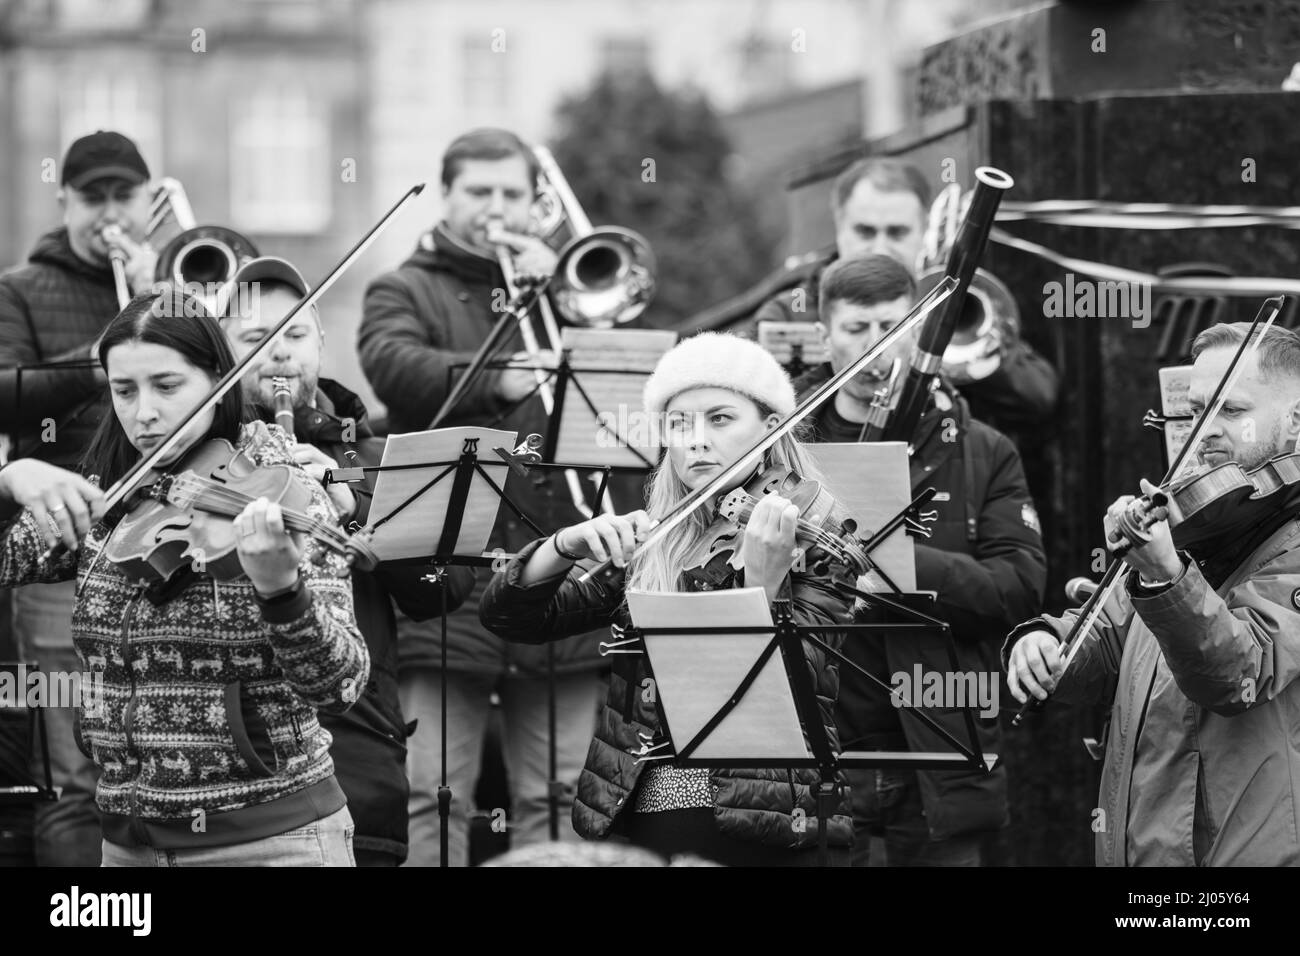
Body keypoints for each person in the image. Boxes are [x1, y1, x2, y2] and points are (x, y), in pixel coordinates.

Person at [0, 289, 369, 866]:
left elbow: (339, 686)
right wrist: (10, 477)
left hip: (270, 842)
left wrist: (282, 592)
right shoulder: (109, 497)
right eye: (124, 390)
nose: (143, 412)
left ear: (219, 379)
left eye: (167, 386)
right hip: (126, 845)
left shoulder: (283, 488)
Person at [479, 332, 855, 866]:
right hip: (644, 808)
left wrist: (762, 588)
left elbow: (800, 685)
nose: (696, 440)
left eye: (720, 419)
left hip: (767, 818)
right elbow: (512, 618)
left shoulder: (816, 530)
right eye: (679, 424)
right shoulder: (659, 539)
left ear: (771, 428)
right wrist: (563, 545)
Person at [357, 127, 603, 866]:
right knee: (434, 794)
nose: (496, 209)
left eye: (511, 194)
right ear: (448, 196)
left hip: (557, 572)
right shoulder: (404, 286)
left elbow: (625, 392)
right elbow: (392, 366)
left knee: (559, 795)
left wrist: (564, 293)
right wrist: (494, 375)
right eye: (479, 192)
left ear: (536, 203)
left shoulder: (570, 295)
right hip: (450, 576)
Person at [1005, 322, 1300, 866]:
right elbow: (1109, 634)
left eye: (1230, 411)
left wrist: (1168, 576)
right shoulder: (1196, 519)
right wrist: (1050, 642)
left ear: (1295, 423)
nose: (1205, 430)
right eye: (1194, 413)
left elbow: (1238, 676)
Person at [218, 256, 474, 865]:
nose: (280, 354)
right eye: (256, 340)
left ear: (321, 343)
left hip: (358, 740)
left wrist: (349, 505)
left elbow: (446, 587)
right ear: (222, 355)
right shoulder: (209, 458)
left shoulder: (372, 453)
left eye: (295, 335)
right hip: (241, 750)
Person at [793, 255, 1046, 865]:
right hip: (819, 752)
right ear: (824, 335)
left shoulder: (984, 450)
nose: (872, 347)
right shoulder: (784, 449)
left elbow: (1018, 589)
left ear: (917, 333)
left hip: (939, 747)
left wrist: (900, 564)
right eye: (855, 329)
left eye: (888, 327)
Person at [0, 130, 160, 866]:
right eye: (91, 197)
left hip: (168, 543)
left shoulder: (174, 285)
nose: (108, 213)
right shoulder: (20, 288)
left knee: (165, 764)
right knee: (74, 775)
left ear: (147, 198)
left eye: (123, 195)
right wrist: (105, 359)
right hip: (58, 554)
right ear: (63, 199)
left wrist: (164, 300)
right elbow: (6, 393)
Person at [754, 156, 1058, 434]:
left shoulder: (951, 299)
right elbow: (755, 414)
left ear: (923, 230)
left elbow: (1037, 397)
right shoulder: (789, 312)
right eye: (865, 231)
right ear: (839, 228)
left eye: (897, 232)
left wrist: (952, 353)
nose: (880, 247)